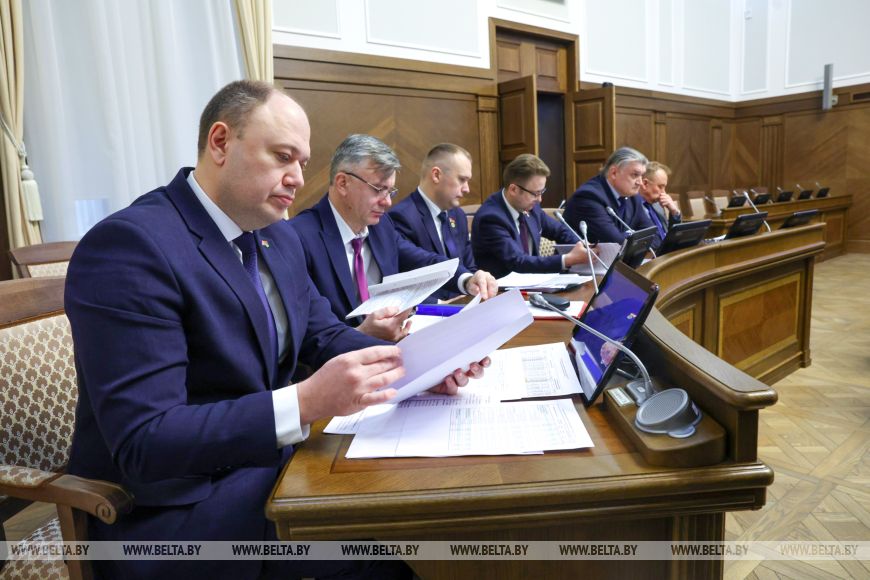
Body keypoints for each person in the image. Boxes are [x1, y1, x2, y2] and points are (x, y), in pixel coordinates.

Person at [64, 80, 483, 580]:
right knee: (390, 556)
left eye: (302, 162)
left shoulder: (276, 236)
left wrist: (420, 364)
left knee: (417, 517)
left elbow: (322, 335)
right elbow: (147, 440)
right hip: (178, 512)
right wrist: (305, 401)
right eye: (283, 157)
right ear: (221, 142)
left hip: (276, 468)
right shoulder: (131, 246)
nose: (297, 178)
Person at [289, 134, 497, 341]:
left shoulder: (381, 226)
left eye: (390, 191)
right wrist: (361, 335)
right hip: (342, 356)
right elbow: (307, 335)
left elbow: (422, 260)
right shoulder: (298, 237)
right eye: (379, 189)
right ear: (343, 183)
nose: (387, 202)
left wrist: (467, 279)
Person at [471, 153, 593, 279]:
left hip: (534, 283)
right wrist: (566, 260)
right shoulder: (491, 218)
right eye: (535, 193)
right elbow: (518, 261)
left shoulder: (530, 207)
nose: (539, 199)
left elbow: (560, 231)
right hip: (501, 288)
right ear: (513, 190)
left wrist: (582, 245)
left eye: (542, 192)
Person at [389, 143, 477, 300]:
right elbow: (409, 278)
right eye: (462, 179)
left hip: (464, 304)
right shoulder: (402, 216)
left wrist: (477, 282)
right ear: (436, 175)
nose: (467, 189)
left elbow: (469, 267)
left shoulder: (457, 215)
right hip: (429, 309)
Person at [563, 146, 656, 244]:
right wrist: (636, 240)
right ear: (614, 173)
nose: (640, 182)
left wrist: (633, 240)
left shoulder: (632, 196)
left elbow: (653, 235)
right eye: (635, 175)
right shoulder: (588, 197)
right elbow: (615, 242)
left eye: (641, 176)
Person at [638, 161, 681, 249]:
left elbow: (672, 235)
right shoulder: (632, 208)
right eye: (660, 187)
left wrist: (674, 212)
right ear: (645, 184)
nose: (664, 192)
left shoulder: (658, 205)